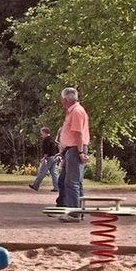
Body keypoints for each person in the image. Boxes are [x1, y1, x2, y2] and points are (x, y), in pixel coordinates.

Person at [55, 87, 91, 222]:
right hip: (71, 150)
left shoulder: (76, 112)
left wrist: (81, 152)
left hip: (75, 150)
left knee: (72, 182)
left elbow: (78, 134)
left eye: (62, 99)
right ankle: (78, 211)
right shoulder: (73, 111)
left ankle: (74, 213)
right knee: (72, 182)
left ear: (65, 99)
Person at [29, 126, 61, 192]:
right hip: (54, 157)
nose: (41, 135)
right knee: (54, 173)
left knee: (42, 172)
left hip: (49, 158)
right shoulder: (52, 140)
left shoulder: (46, 140)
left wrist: (44, 157)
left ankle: (35, 185)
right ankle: (57, 187)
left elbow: (46, 149)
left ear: (45, 132)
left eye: (42, 133)